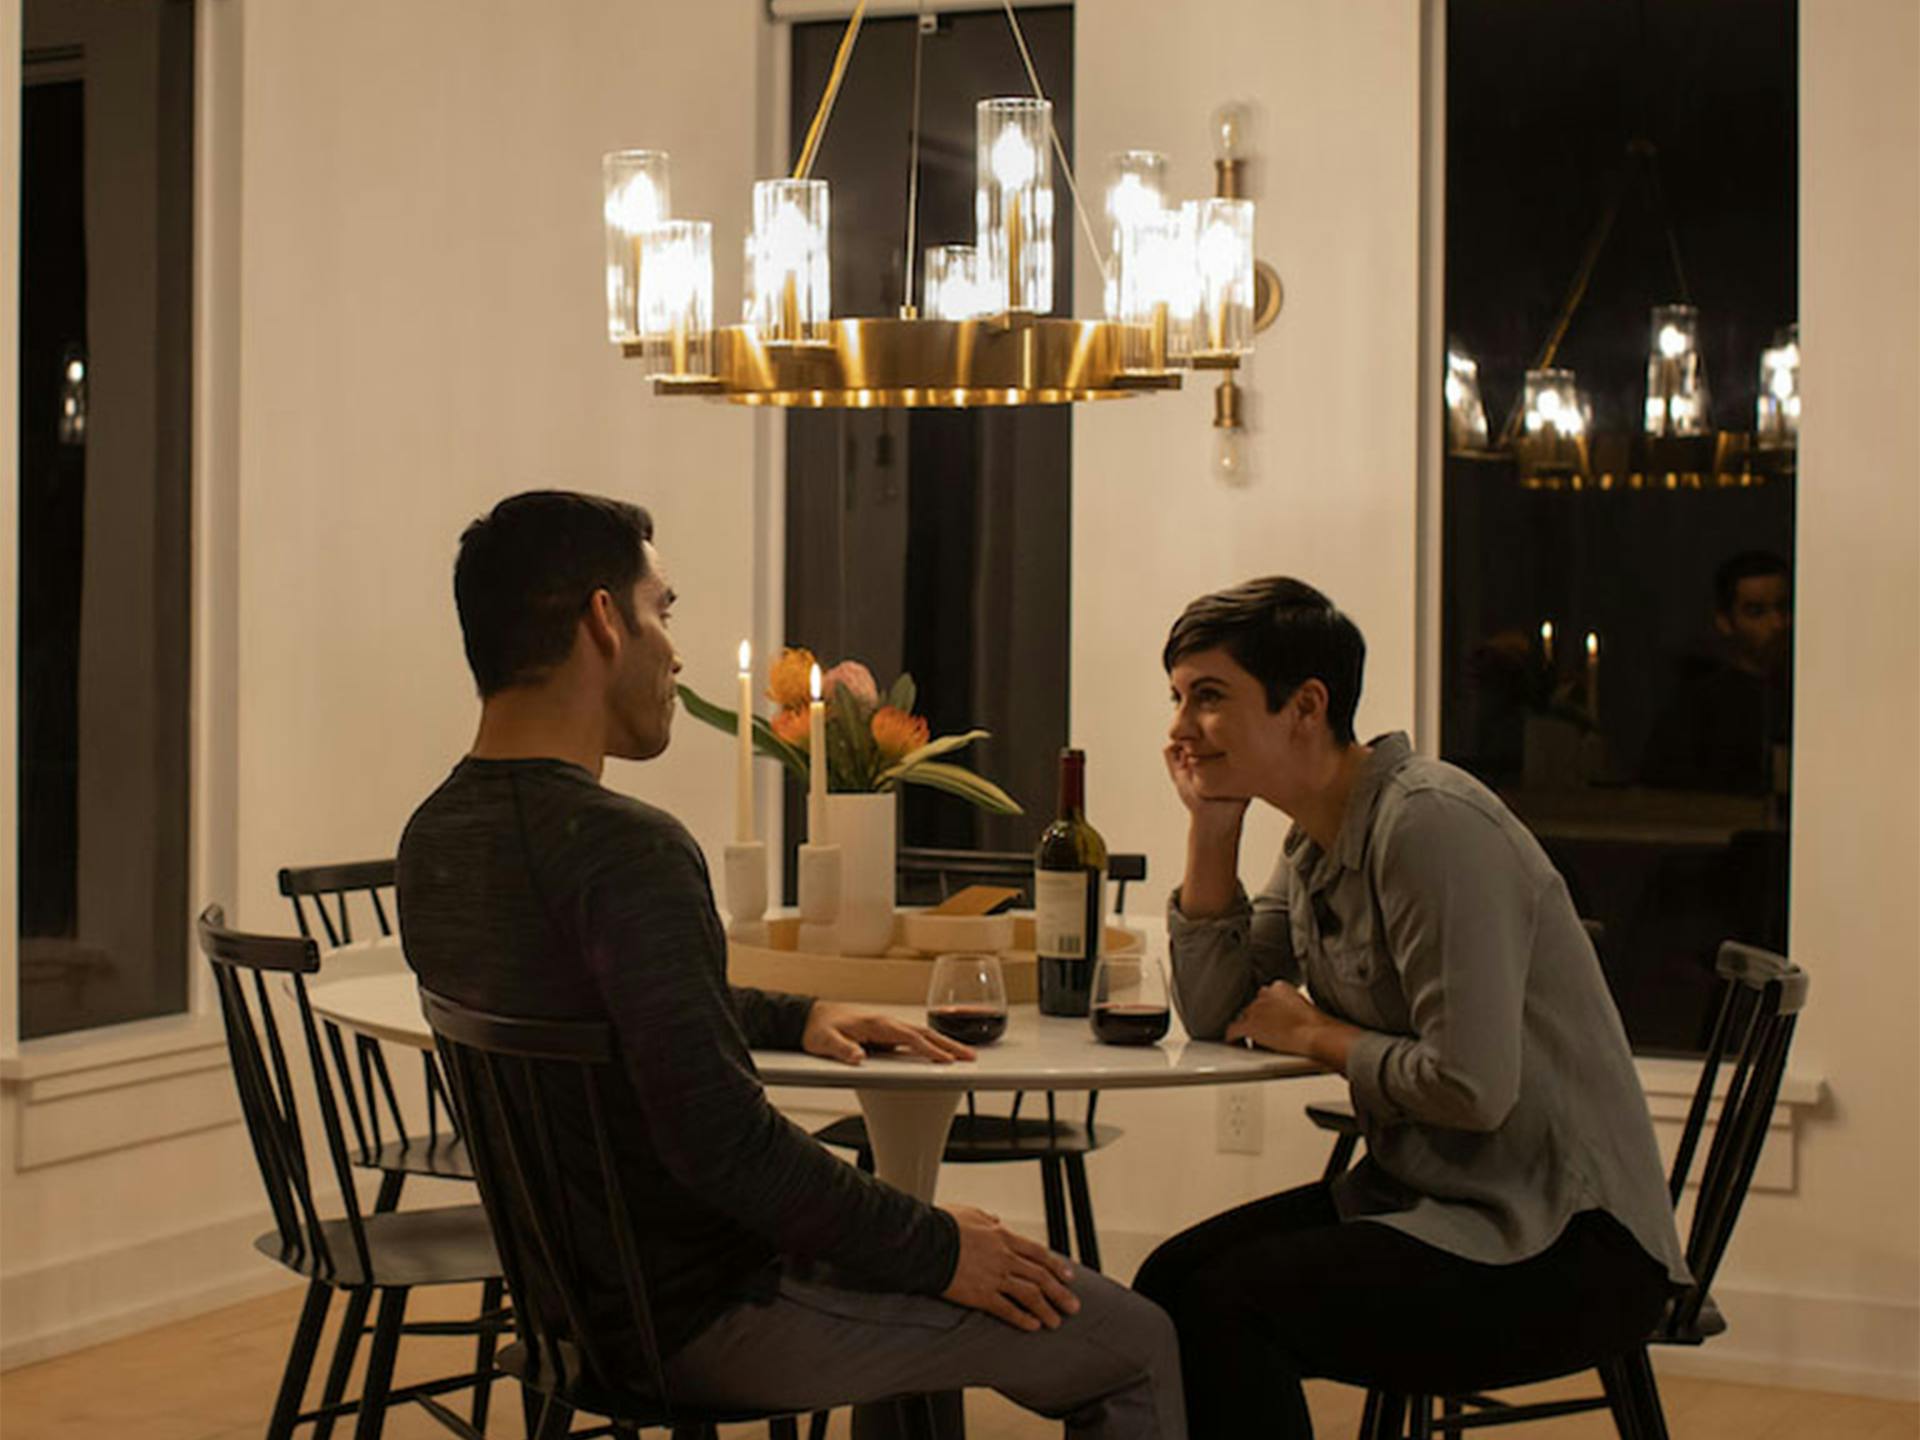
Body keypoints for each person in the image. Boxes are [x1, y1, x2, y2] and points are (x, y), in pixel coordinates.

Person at [395, 491, 1183, 1439]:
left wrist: (790, 1016)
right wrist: (932, 1247)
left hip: (578, 1309)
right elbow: (726, 1149)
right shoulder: (628, 849)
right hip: (709, 1315)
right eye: (663, 610)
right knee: (1135, 1343)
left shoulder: (436, 837)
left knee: (939, 1249)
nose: (674, 651)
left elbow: (599, 1015)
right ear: (604, 620)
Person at [1133, 577, 1685, 1439]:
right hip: (1425, 1198)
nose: (1179, 728)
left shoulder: (1428, 824)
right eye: (1177, 697)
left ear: (1305, 705)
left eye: (1209, 697)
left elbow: (1472, 1089)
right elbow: (1217, 1013)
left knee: (1225, 1307)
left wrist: (1317, 1033)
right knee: (1167, 1283)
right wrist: (1211, 828)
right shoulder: (1315, 836)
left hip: (1563, 1243)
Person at [1641, 550, 1792, 794]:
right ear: (1724, 621)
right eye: (1756, 612)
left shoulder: (1812, 699)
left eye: (1783, 608)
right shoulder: (1696, 711)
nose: (1777, 624)